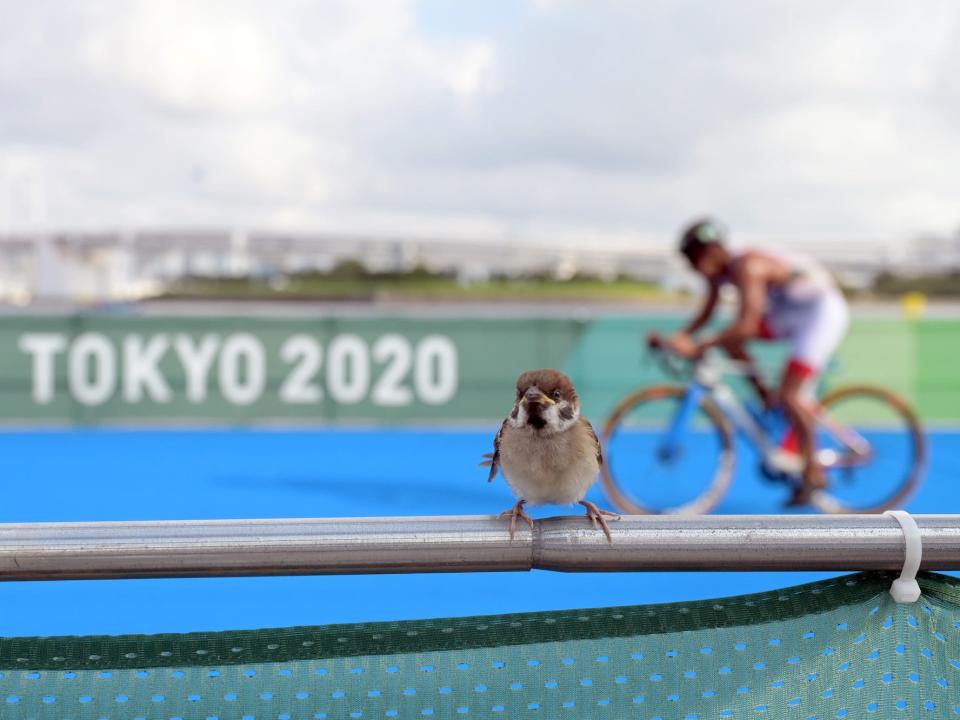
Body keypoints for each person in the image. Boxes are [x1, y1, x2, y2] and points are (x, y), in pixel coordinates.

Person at [652, 218, 849, 505]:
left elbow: (746, 325)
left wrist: (699, 345)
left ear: (713, 252)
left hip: (820, 315)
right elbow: (706, 316)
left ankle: (813, 471)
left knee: (792, 395)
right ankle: (767, 396)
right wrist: (676, 339)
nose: (693, 267)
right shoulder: (719, 271)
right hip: (791, 312)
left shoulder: (749, 266)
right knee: (731, 343)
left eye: (694, 258)